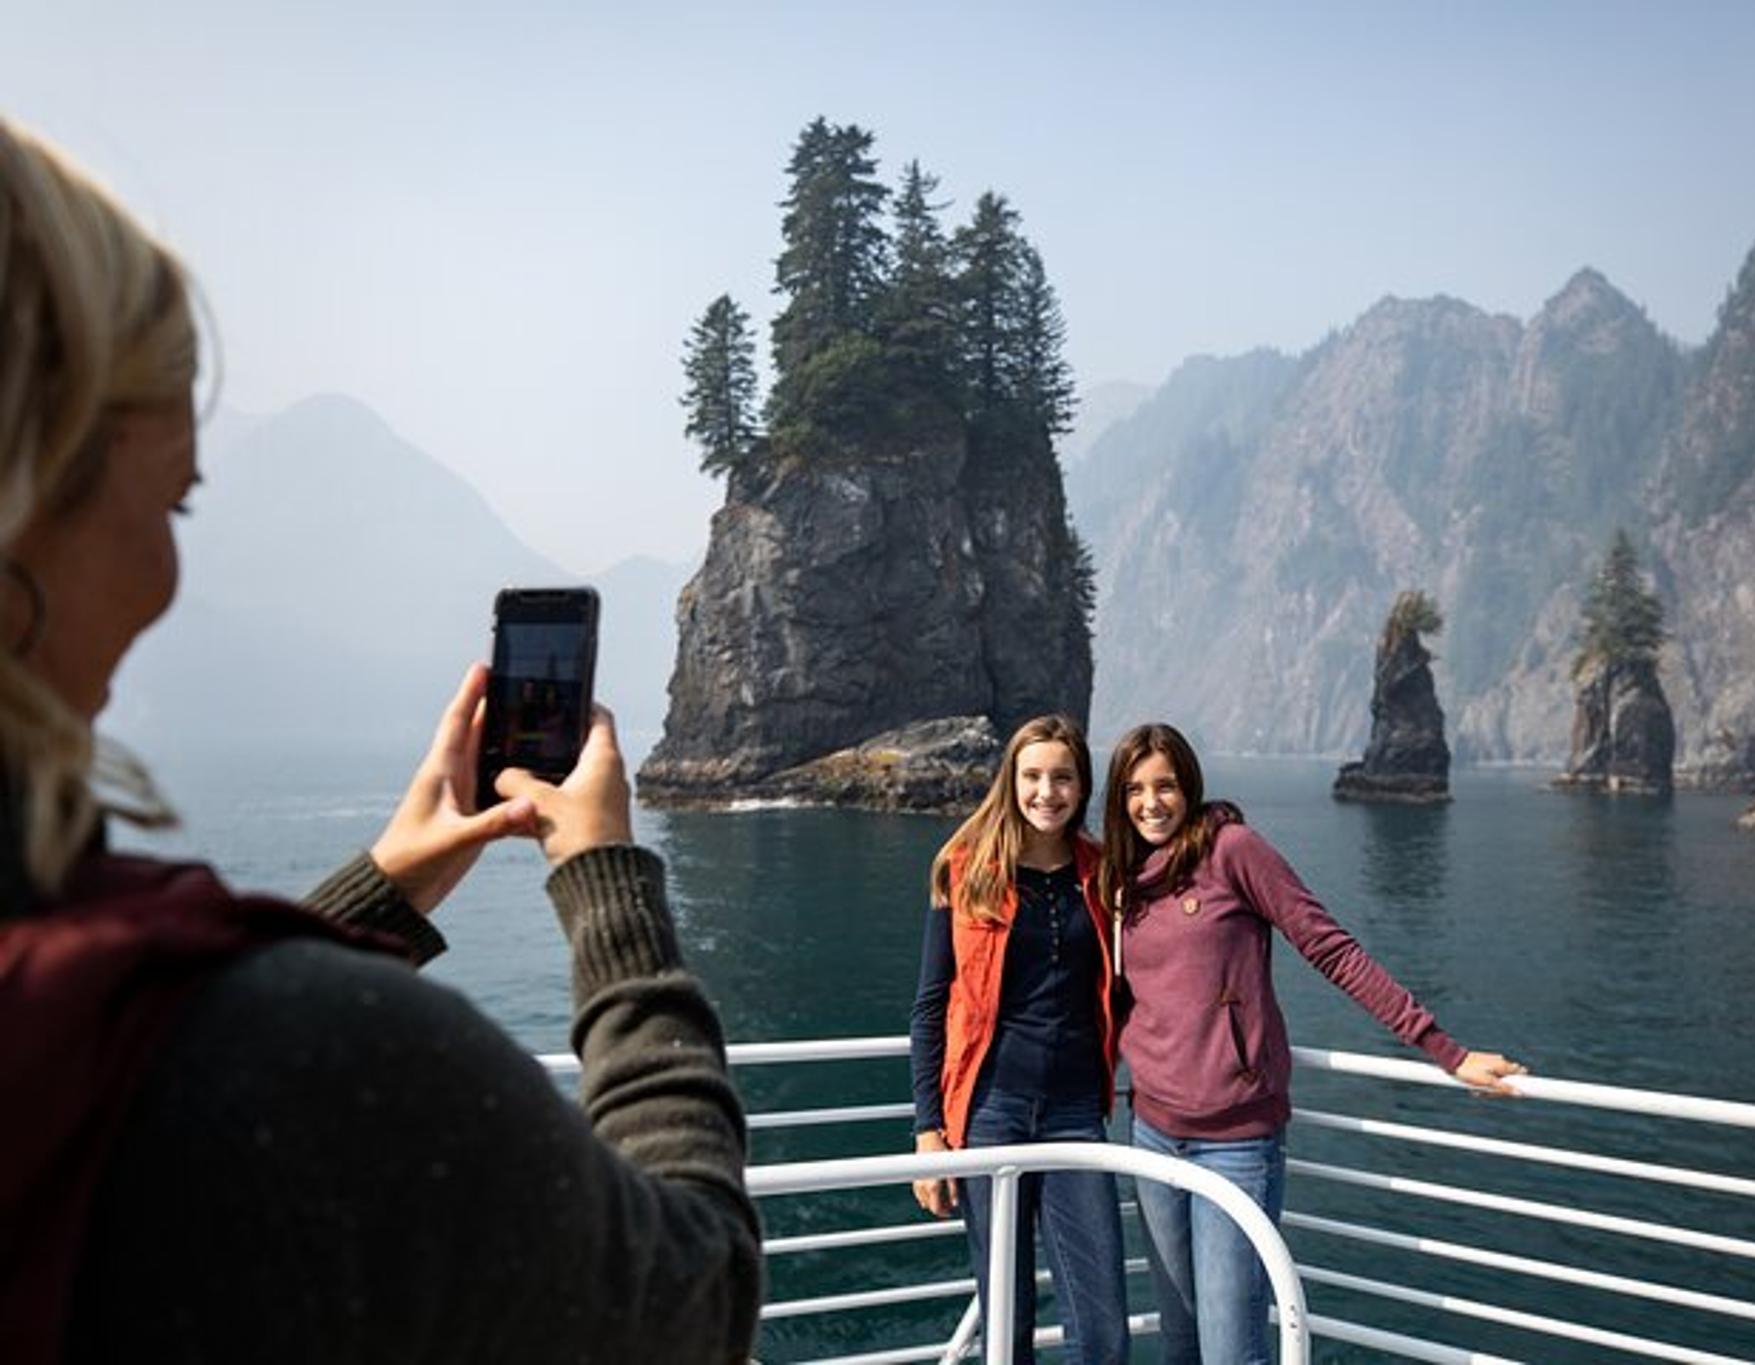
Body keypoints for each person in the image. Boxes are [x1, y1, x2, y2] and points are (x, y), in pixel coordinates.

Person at [0, 119, 761, 1363]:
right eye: (174, 500)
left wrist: (385, 892)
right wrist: (609, 890)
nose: (166, 579)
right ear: (28, 504)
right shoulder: (317, 1068)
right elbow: (692, 1303)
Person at [1096, 722, 1523, 1365]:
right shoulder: (1121, 880)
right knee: (1179, 1339)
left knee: (1230, 1349)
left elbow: (1332, 950)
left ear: (1190, 786)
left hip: (1235, 1142)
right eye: (1134, 789)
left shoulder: (1231, 851)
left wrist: (1445, 1050)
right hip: (1152, 1132)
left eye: (1166, 785)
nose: (1151, 802)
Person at [907, 715, 1129, 1364]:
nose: (1046, 792)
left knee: (1105, 1330)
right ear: (1011, 780)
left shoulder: (1104, 873)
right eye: (1032, 776)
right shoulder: (964, 868)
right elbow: (929, 1007)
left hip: (1076, 1114)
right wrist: (928, 1130)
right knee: (1007, 1323)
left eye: (1062, 777)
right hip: (991, 1112)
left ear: (1081, 785)